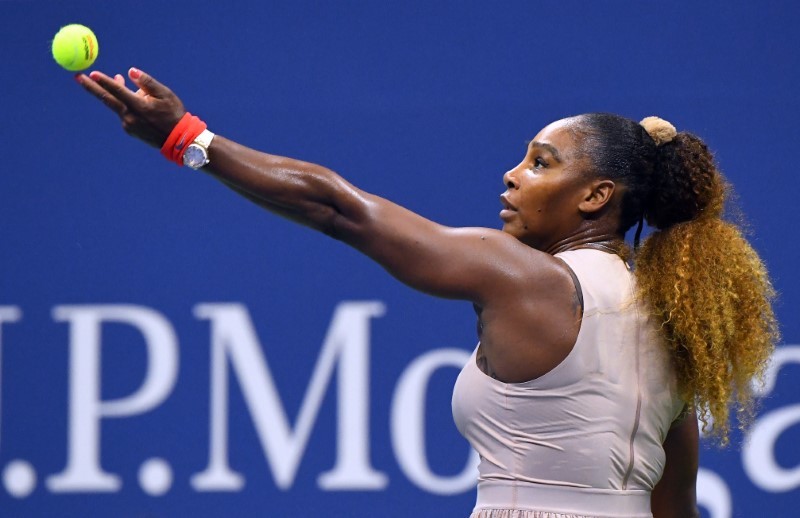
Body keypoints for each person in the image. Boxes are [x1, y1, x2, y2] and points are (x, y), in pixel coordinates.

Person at [76, 68, 778, 518]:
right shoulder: (675, 323)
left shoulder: (528, 277)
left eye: (540, 164)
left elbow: (336, 208)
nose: (512, 176)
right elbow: (675, 507)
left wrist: (186, 138)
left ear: (596, 196)